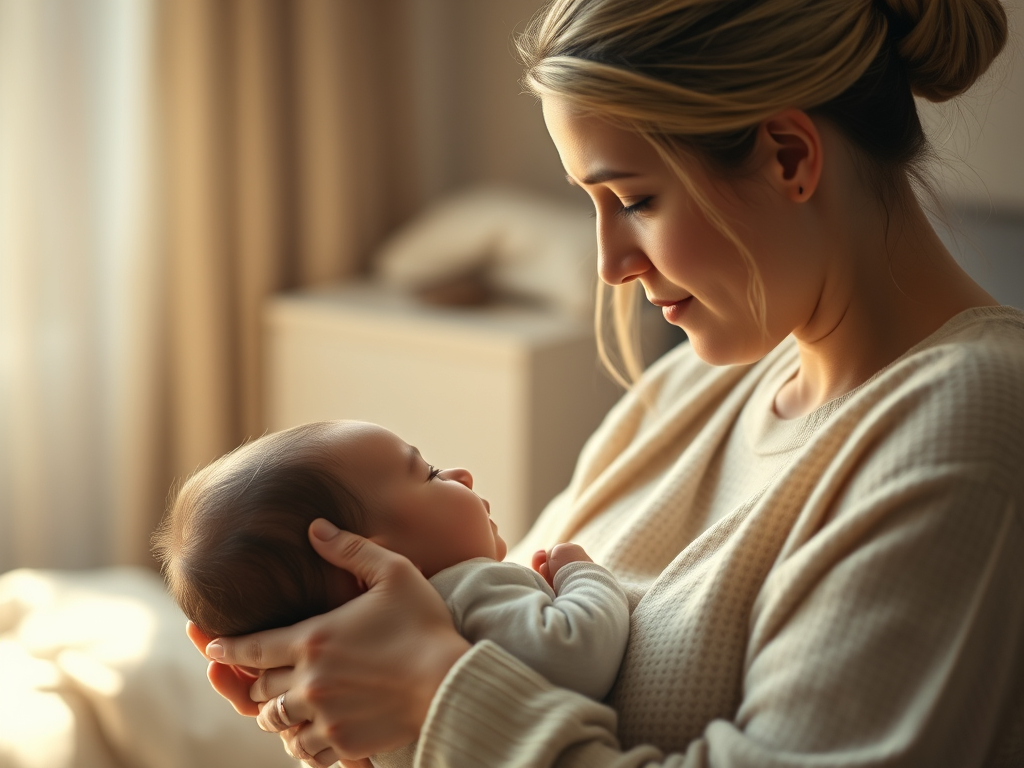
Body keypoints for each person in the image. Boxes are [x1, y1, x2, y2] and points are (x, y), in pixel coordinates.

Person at [187, 0, 1024, 766]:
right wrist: (351, 696)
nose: (611, 266)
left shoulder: (966, 421)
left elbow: (467, 688)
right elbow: (494, 639)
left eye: (634, 200)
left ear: (788, 156)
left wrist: (435, 698)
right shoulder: (685, 395)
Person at [156, 420, 629, 765]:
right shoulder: (473, 586)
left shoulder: (341, 700)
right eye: (429, 474)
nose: (460, 474)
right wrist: (581, 576)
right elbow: (577, 654)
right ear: (370, 565)